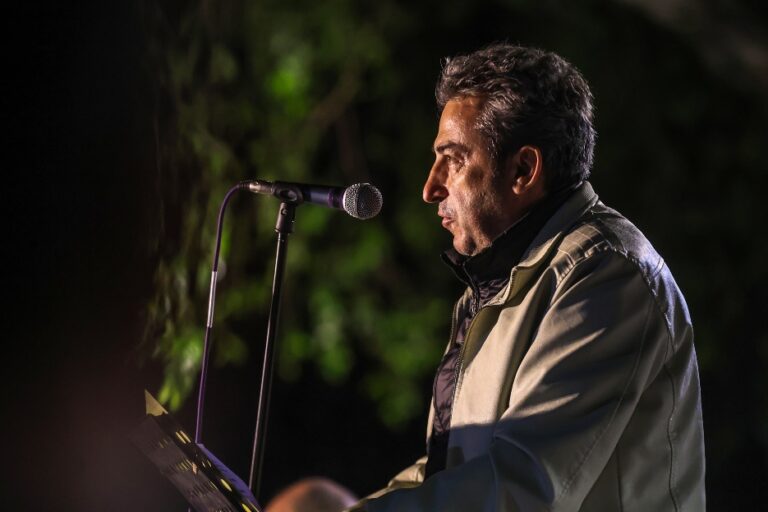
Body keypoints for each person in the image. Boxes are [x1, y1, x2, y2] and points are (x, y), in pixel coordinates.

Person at [348, 43, 706, 511]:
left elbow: (521, 486)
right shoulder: (502, 283)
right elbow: (450, 472)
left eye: (453, 159)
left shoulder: (607, 275)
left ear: (523, 169)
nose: (431, 187)